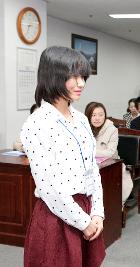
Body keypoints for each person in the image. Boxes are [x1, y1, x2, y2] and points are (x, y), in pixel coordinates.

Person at [20, 46, 105, 266]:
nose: (81, 83)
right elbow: (49, 187)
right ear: (54, 77)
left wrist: (97, 213)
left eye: (83, 77)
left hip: (86, 209)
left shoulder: (81, 118)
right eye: (73, 77)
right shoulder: (37, 123)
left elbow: (92, 169)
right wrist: (83, 222)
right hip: (57, 216)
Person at [85, 102, 133, 207]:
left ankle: (112, 208)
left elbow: (110, 152)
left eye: (101, 115)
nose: (97, 118)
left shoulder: (112, 129)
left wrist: (90, 151)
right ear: (88, 116)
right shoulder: (84, 129)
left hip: (112, 164)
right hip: (90, 164)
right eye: (93, 115)